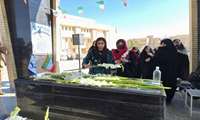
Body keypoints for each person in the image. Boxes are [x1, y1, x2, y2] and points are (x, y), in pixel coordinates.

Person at [153, 39, 178, 104]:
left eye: (162, 44)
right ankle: (168, 100)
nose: (161, 45)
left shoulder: (161, 50)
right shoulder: (174, 50)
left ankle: (161, 99)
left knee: (162, 85)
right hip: (172, 73)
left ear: (165, 44)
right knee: (170, 86)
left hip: (162, 72)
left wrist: (159, 49)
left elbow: (156, 59)